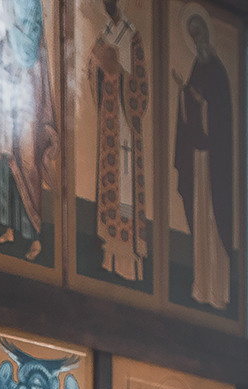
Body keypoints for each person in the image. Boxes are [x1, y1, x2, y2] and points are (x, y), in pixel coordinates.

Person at [0, 0, 55, 257]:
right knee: (6, 156)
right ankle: (9, 227)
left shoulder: (31, 3)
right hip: (4, 84)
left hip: (25, 85)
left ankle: (34, 235)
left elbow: (31, 44)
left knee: (27, 156)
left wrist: (10, 26)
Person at [171, 8, 233, 309]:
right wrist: (185, 92)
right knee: (199, 216)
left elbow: (218, 111)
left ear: (207, 34)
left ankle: (218, 288)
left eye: (200, 34)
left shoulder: (218, 70)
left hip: (214, 159)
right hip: (198, 157)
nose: (197, 41)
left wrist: (195, 96)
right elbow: (191, 102)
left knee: (213, 216)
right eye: (193, 36)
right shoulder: (197, 65)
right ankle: (201, 285)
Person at [86, 0, 149, 282]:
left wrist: (118, 73)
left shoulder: (133, 37)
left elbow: (141, 87)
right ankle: (109, 256)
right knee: (110, 182)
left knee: (127, 186)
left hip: (126, 126)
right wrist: (100, 69)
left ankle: (130, 263)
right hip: (110, 124)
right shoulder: (104, 37)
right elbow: (91, 75)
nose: (108, 7)